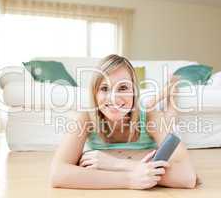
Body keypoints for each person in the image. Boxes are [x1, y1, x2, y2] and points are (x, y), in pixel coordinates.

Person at [50, 54, 198, 189]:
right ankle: (164, 91)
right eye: (105, 88)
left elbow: (188, 177)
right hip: (138, 111)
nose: (113, 97)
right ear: (95, 94)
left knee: (170, 115)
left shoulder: (150, 116)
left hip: (145, 115)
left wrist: (115, 164)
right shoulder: (86, 117)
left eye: (122, 88)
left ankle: (172, 91)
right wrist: (129, 179)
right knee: (151, 109)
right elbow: (57, 174)